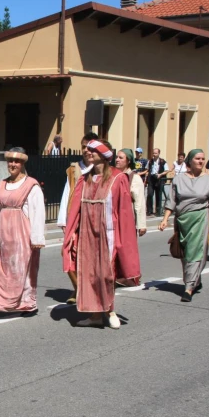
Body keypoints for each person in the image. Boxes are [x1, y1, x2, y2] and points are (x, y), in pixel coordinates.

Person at [63, 140, 140, 329]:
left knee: (106, 274)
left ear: (103, 154)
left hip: (109, 234)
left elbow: (124, 211)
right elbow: (76, 209)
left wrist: (125, 237)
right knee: (90, 274)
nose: (87, 153)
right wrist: (72, 231)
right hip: (87, 234)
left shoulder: (117, 178)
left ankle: (110, 309)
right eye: (87, 150)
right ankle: (96, 315)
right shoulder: (84, 178)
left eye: (92, 150)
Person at [0, 148, 45, 317]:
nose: (13, 164)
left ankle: (28, 304)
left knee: (23, 270)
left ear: (22, 164)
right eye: (10, 161)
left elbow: (38, 212)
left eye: (17, 161)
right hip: (4, 234)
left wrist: (36, 237)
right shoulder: (1, 185)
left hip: (22, 234)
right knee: (0, 269)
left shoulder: (31, 186)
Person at [160, 149, 209, 302]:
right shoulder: (179, 179)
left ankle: (188, 287)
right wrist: (165, 219)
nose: (201, 161)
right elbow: (171, 201)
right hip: (182, 219)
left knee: (196, 251)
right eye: (198, 158)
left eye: (203, 159)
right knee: (185, 252)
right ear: (190, 161)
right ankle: (195, 280)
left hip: (200, 218)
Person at [57, 133, 95, 304]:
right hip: (75, 219)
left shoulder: (101, 168)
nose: (86, 150)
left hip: (93, 220)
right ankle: (78, 287)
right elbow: (68, 192)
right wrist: (64, 220)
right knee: (67, 254)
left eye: (90, 147)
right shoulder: (74, 169)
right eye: (84, 147)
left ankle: (90, 290)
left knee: (90, 258)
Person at [115, 149, 147, 236]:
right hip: (113, 220)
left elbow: (139, 202)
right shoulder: (113, 176)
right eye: (116, 157)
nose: (117, 160)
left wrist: (141, 225)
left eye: (120, 158)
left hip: (127, 220)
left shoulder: (134, 178)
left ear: (128, 161)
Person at [146, 148, 169, 217]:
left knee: (158, 195)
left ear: (159, 154)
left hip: (159, 179)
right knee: (150, 194)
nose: (154, 155)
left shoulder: (163, 161)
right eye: (153, 153)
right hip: (151, 179)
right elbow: (147, 169)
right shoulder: (150, 161)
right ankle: (149, 210)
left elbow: (167, 170)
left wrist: (160, 174)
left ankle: (158, 210)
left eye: (155, 153)